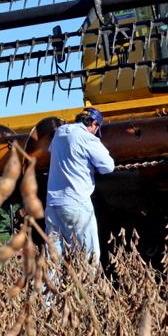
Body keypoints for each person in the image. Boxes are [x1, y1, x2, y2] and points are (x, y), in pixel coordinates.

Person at [45, 107, 115, 262]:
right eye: (97, 129)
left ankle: (48, 286)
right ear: (94, 124)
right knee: (89, 254)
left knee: (53, 257)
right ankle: (88, 285)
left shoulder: (59, 132)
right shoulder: (86, 137)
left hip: (53, 204)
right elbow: (108, 166)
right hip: (76, 202)